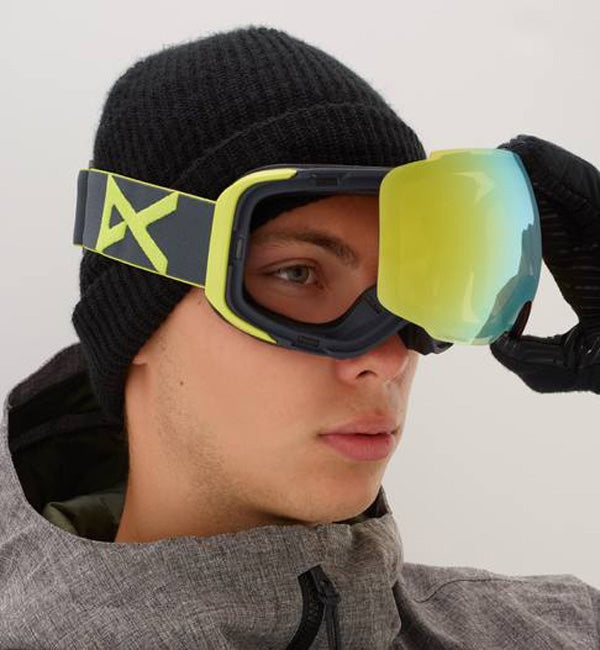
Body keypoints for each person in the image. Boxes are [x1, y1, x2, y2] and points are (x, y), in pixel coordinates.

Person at [0, 24, 598, 649]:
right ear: (136, 320)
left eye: (411, 285)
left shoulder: (553, 628)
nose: (386, 355)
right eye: (297, 274)